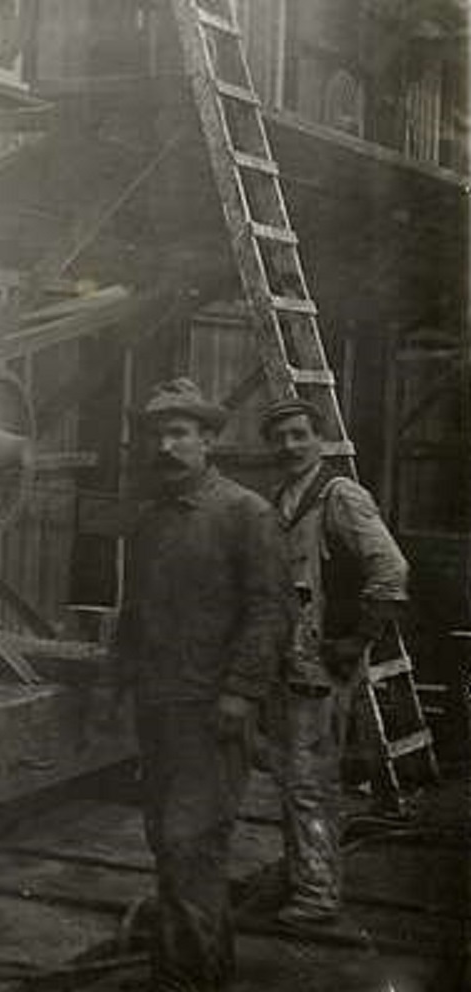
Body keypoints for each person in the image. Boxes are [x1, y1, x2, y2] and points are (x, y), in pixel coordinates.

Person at [116, 379, 293, 992]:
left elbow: (271, 610)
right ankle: (191, 977)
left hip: (212, 712)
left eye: (179, 434)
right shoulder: (148, 521)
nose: (165, 446)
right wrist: (117, 684)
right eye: (157, 435)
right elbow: (132, 612)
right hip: (158, 707)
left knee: (191, 847)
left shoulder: (246, 514)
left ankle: (187, 984)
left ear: (208, 440)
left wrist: (240, 692)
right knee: (171, 848)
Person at [259, 397, 409, 929]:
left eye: (300, 434)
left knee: (310, 783)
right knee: (292, 779)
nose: (290, 445)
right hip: (288, 665)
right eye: (279, 437)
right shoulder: (283, 500)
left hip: (320, 667)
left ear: (319, 439)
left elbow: (391, 570)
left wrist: (358, 640)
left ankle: (318, 895)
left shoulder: (339, 496)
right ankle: (304, 876)